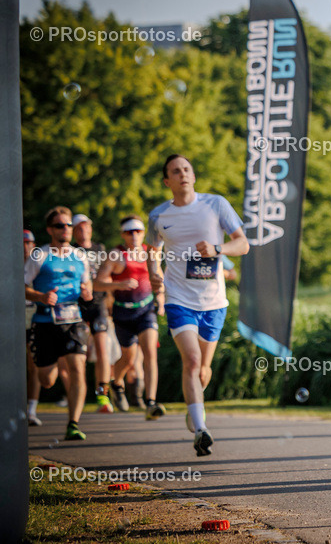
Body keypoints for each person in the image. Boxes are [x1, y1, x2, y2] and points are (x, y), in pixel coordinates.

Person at [148, 155, 249, 456]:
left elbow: (242, 244)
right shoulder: (158, 215)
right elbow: (153, 251)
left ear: (193, 175)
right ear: (167, 181)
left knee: (204, 368)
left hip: (214, 301)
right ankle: (201, 428)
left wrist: (218, 248)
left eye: (187, 169)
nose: (183, 174)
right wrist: (154, 272)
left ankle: (194, 408)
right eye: (176, 171)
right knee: (191, 361)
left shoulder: (215, 204)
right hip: (178, 298)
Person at [24, 207, 93, 440]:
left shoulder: (80, 255)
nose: (65, 229)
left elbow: (88, 287)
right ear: (50, 230)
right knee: (47, 380)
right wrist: (41, 297)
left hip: (73, 321)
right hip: (44, 321)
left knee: (77, 370)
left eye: (68, 225)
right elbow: (22, 287)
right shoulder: (39, 255)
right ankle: (52, 367)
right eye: (60, 226)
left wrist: (87, 293)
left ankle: (73, 423)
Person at [94, 215, 166, 419]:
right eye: (129, 231)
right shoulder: (116, 255)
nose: (134, 235)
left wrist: (160, 299)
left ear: (143, 233)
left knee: (150, 351)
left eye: (138, 231)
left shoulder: (150, 253)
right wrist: (118, 285)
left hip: (145, 311)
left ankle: (151, 402)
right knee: (128, 357)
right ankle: (116, 383)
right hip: (123, 313)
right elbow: (97, 284)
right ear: (122, 234)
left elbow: (158, 279)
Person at [71, 213, 114, 413]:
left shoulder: (100, 249)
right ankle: (73, 393)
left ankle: (102, 395)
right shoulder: (70, 251)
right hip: (75, 307)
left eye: (85, 226)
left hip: (98, 305)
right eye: (78, 227)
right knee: (78, 355)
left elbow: (107, 277)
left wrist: (110, 302)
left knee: (102, 350)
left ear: (90, 228)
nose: (82, 230)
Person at [24, 230, 43, 426]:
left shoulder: (38, 262)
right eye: (22, 242)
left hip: (33, 316)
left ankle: (31, 409)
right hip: (10, 318)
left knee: (34, 365)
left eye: (29, 243)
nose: (25, 246)